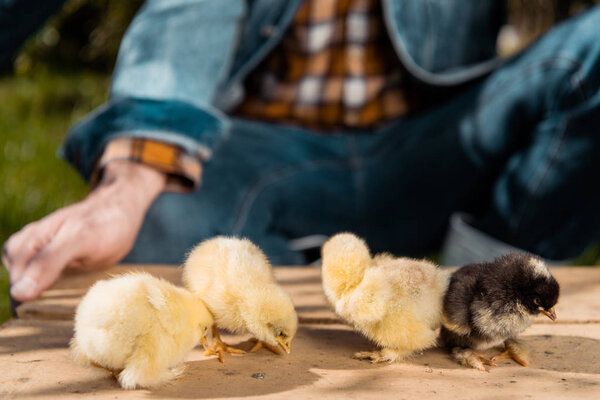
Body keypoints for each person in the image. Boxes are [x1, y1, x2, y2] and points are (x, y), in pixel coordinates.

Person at [3, 0, 600, 303]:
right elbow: (188, 16)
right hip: (262, 158)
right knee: (157, 221)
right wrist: (130, 182)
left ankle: (473, 299)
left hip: (431, 150)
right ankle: (280, 290)